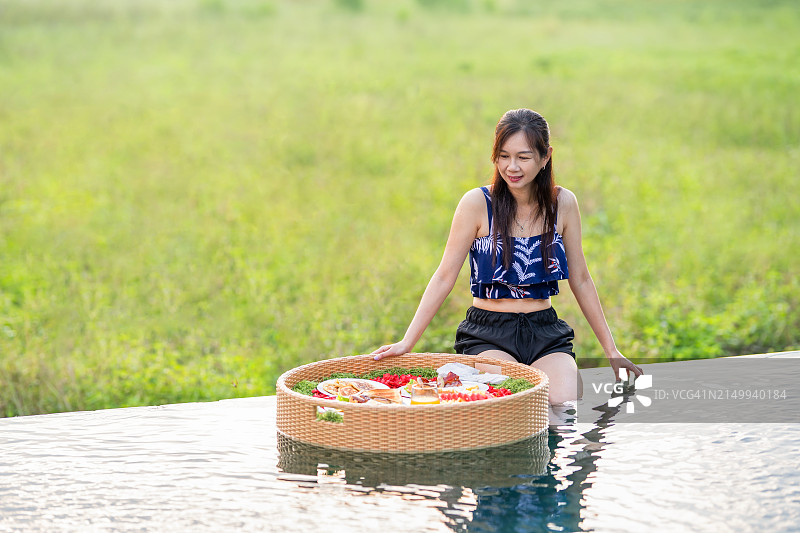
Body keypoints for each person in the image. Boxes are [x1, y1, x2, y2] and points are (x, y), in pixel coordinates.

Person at [371, 108, 642, 404]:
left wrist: (611, 351)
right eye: (504, 156)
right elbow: (444, 276)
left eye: (523, 157)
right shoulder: (477, 203)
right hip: (489, 334)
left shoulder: (563, 203)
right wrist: (408, 341)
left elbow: (581, 279)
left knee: (564, 406)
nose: (512, 167)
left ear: (545, 156)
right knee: (514, 400)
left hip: (545, 331)